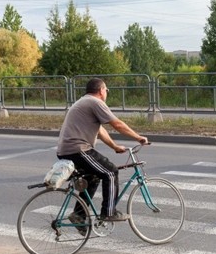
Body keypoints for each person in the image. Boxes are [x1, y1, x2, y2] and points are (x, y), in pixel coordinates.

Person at [57, 78, 148, 222]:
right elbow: (117, 124)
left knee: (93, 177)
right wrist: (138, 138)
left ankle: (78, 215)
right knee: (111, 172)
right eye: (106, 90)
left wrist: (115, 147)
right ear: (101, 90)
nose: (106, 93)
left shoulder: (83, 102)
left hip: (68, 150)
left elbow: (100, 130)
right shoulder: (95, 102)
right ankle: (109, 212)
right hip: (78, 149)